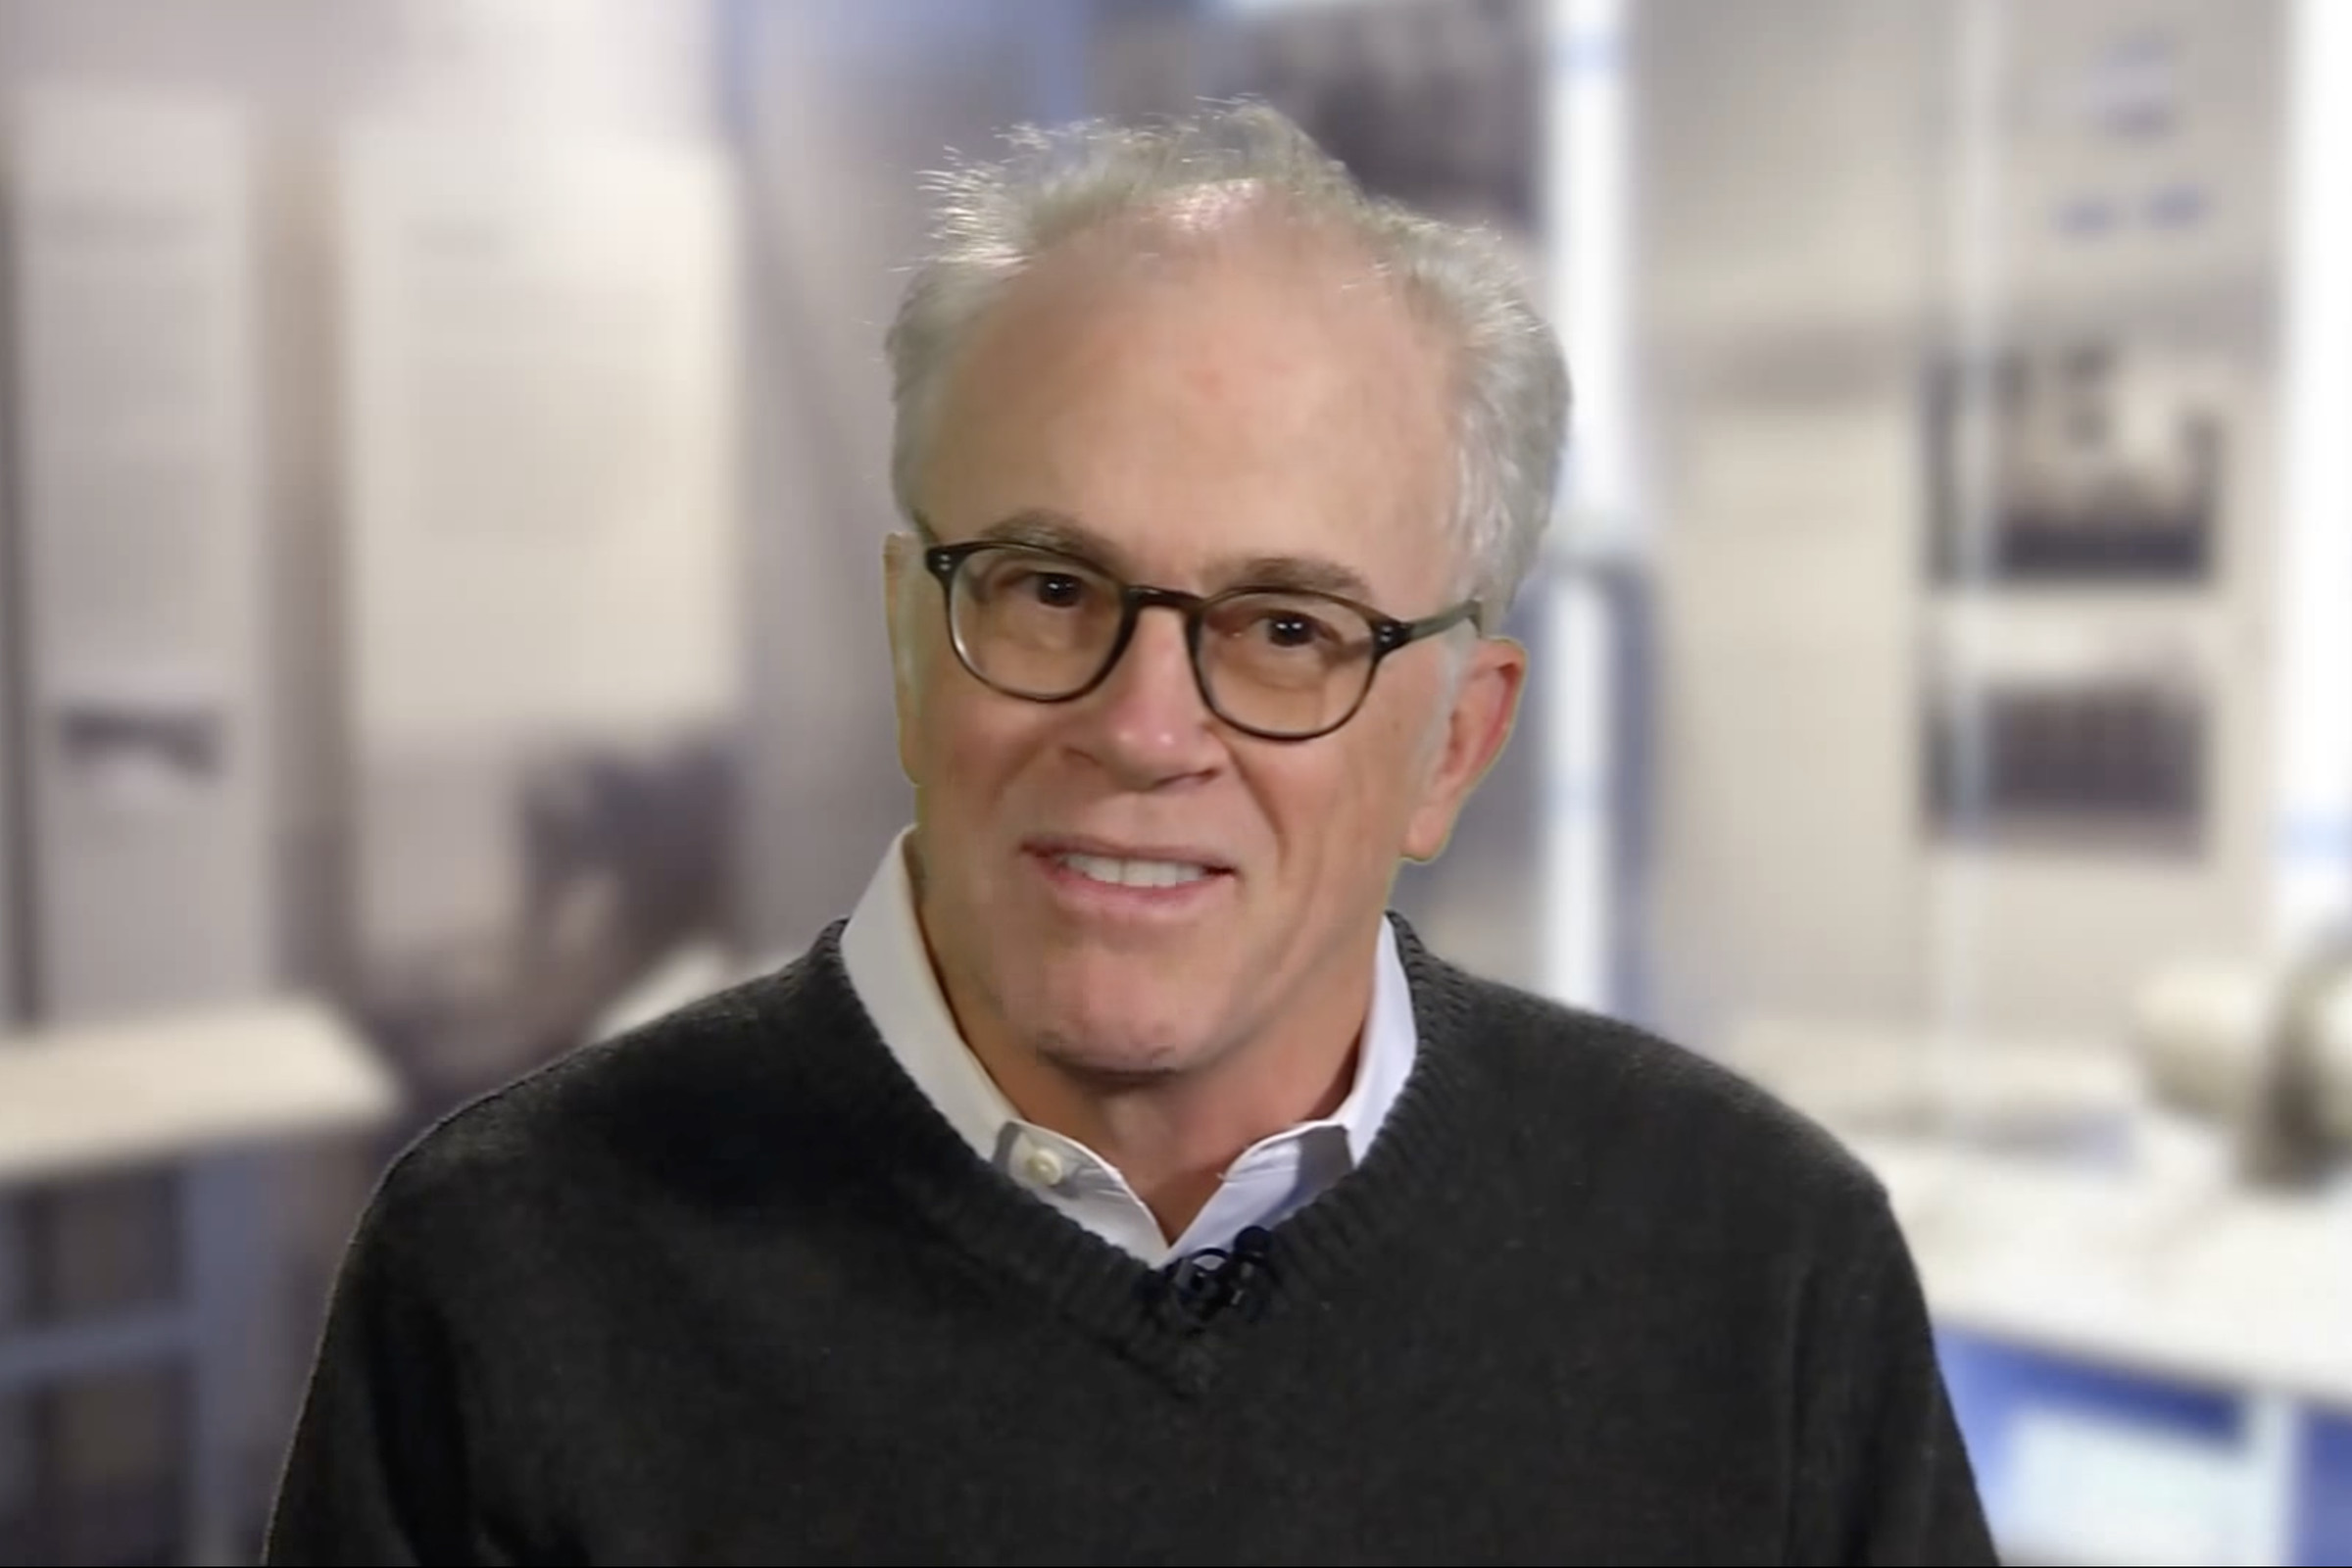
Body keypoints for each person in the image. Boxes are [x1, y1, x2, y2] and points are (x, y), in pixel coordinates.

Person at [265, 103, 1996, 1565]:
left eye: (1289, 629)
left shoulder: (1763, 1275)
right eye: (1045, 586)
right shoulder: (506, 1279)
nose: (1145, 728)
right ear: (905, 642)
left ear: (1453, 745)